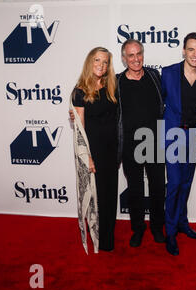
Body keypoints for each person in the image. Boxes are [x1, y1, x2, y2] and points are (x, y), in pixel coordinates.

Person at [161, 32, 196, 255]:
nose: (195, 54)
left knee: (186, 183)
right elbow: (157, 101)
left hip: (195, 137)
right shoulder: (168, 73)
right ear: (184, 50)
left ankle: (182, 222)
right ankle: (170, 232)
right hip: (173, 136)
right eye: (191, 49)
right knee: (173, 184)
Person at [116, 39, 166, 247]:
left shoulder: (155, 76)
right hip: (130, 145)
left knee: (157, 188)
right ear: (124, 58)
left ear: (143, 55)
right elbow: (100, 106)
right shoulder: (116, 82)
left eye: (139, 54)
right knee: (134, 189)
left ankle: (156, 227)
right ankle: (138, 228)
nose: (136, 59)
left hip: (154, 142)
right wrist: (78, 114)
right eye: (131, 55)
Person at [71, 47, 119, 252]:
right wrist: (87, 157)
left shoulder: (112, 87)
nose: (101, 65)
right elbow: (80, 130)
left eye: (105, 61)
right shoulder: (80, 91)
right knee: (96, 197)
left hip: (112, 150)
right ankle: (98, 237)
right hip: (95, 152)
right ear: (89, 62)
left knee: (110, 195)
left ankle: (108, 238)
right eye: (97, 60)